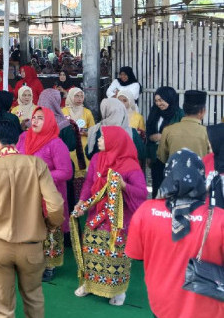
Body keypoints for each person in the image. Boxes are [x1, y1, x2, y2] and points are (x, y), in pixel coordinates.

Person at [0, 120, 64, 318]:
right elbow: (56, 206)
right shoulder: (36, 164)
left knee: (1, 306)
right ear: (18, 138)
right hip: (31, 244)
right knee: (33, 297)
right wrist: (49, 225)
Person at [125, 149, 224, 318]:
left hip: (162, 305)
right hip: (207, 308)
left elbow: (136, 254)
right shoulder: (219, 219)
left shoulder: (145, 212)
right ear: (201, 177)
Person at [71, 126, 147, 306]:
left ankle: (118, 291)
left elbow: (142, 192)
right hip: (96, 214)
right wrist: (82, 201)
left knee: (115, 254)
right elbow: (89, 182)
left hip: (117, 221)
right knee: (91, 250)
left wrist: (123, 186)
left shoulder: (130, 165)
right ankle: (89, 284)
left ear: (115, 141)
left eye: (102, 138)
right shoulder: (97, 158)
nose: (98, 140)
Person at [17, 107, 72, 282]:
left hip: (48, 194)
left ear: (48, 121)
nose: (35, 121)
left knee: (49, 229)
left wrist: (40, 174)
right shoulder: (24, 138)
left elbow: (66, 172)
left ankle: (49, 264)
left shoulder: (56, 144)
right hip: (26, 192)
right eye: (34, 117)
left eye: (40, 118)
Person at [145, 86, 183, 198]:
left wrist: (164, 137)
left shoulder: (179, 114)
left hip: (172, 156)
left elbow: (182, 134)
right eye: (156, 100)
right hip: (156, 156)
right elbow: (149, 132)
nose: (158, 103)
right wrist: (152, 138)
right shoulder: (154, 112)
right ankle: (156, 212)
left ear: (169, 98)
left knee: (171, 188)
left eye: (161, 100)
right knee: (157, 186)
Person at [157, 90, 211, 163]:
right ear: (202, 111)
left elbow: (162, 158)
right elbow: (211, 159)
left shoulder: (168, 130)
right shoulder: (208, 132)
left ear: (184, 109)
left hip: (174, 173)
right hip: (198, 174)